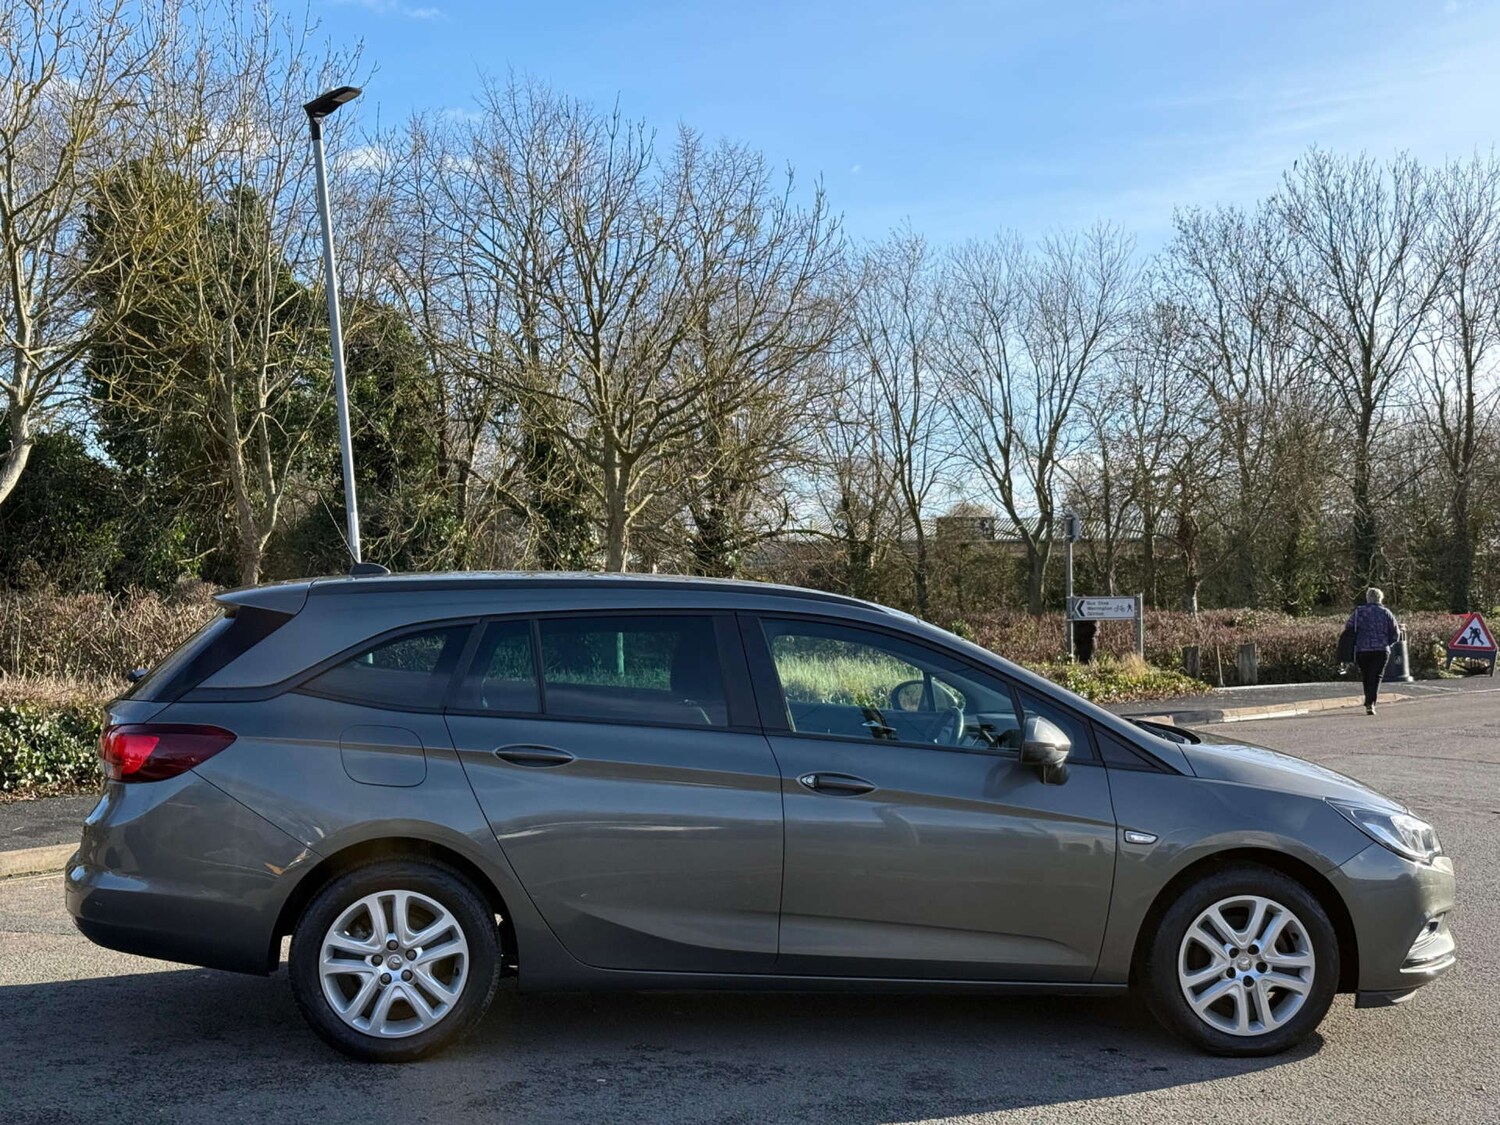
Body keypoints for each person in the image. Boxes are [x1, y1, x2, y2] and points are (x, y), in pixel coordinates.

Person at [1345, 587, 1400, 716]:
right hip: (1381, 649)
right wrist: (1388, 643)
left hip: (1362, 649)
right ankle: (1371, 703)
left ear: (1367, 598)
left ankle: (1368, 701)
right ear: (1380, 598)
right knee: (1376, 676)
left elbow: (1349, 627)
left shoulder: (1358, 612)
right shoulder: (1386, 612)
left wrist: (1357, 640)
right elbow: (1396, 632)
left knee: (1366, 676)